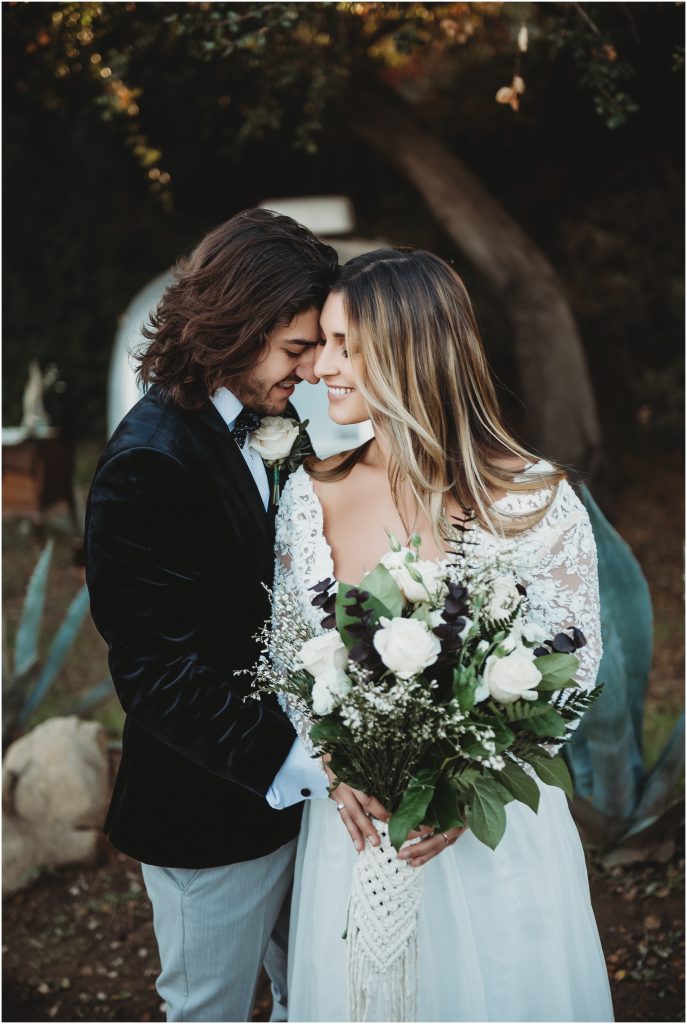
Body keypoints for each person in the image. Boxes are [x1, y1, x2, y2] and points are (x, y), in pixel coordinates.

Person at [274, 248, 615, 1021]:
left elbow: (574, 673)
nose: (319, 366)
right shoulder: (310, 492)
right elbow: (291, 652)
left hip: (496, 841)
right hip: (356, 833)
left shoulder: (535, 501)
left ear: (408, 353)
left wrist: (467, 791)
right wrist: (333, 762)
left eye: (344, 346)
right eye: (320, 342)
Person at [85, 209, 350, 1023]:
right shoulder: (148, 463)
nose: (309, 373)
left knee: (317, 996)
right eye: (297, 348)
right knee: (210, 1011)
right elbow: (156, 673)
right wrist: (300, 761)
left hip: (305, 807)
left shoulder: (266, 419)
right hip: (208, 813)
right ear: (237, 324)